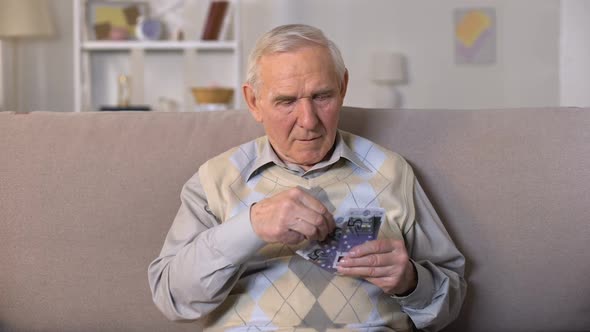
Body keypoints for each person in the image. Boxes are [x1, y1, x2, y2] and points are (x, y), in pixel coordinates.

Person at [148, 24, 466, 332]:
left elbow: (449, 303)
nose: (308, 121)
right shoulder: (215, 179)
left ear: (342, 87)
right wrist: (250, 225)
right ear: (253, 102)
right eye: (286, 101)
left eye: (321, 97)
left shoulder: (393, 172)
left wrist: (411, 281)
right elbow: (172, 298)